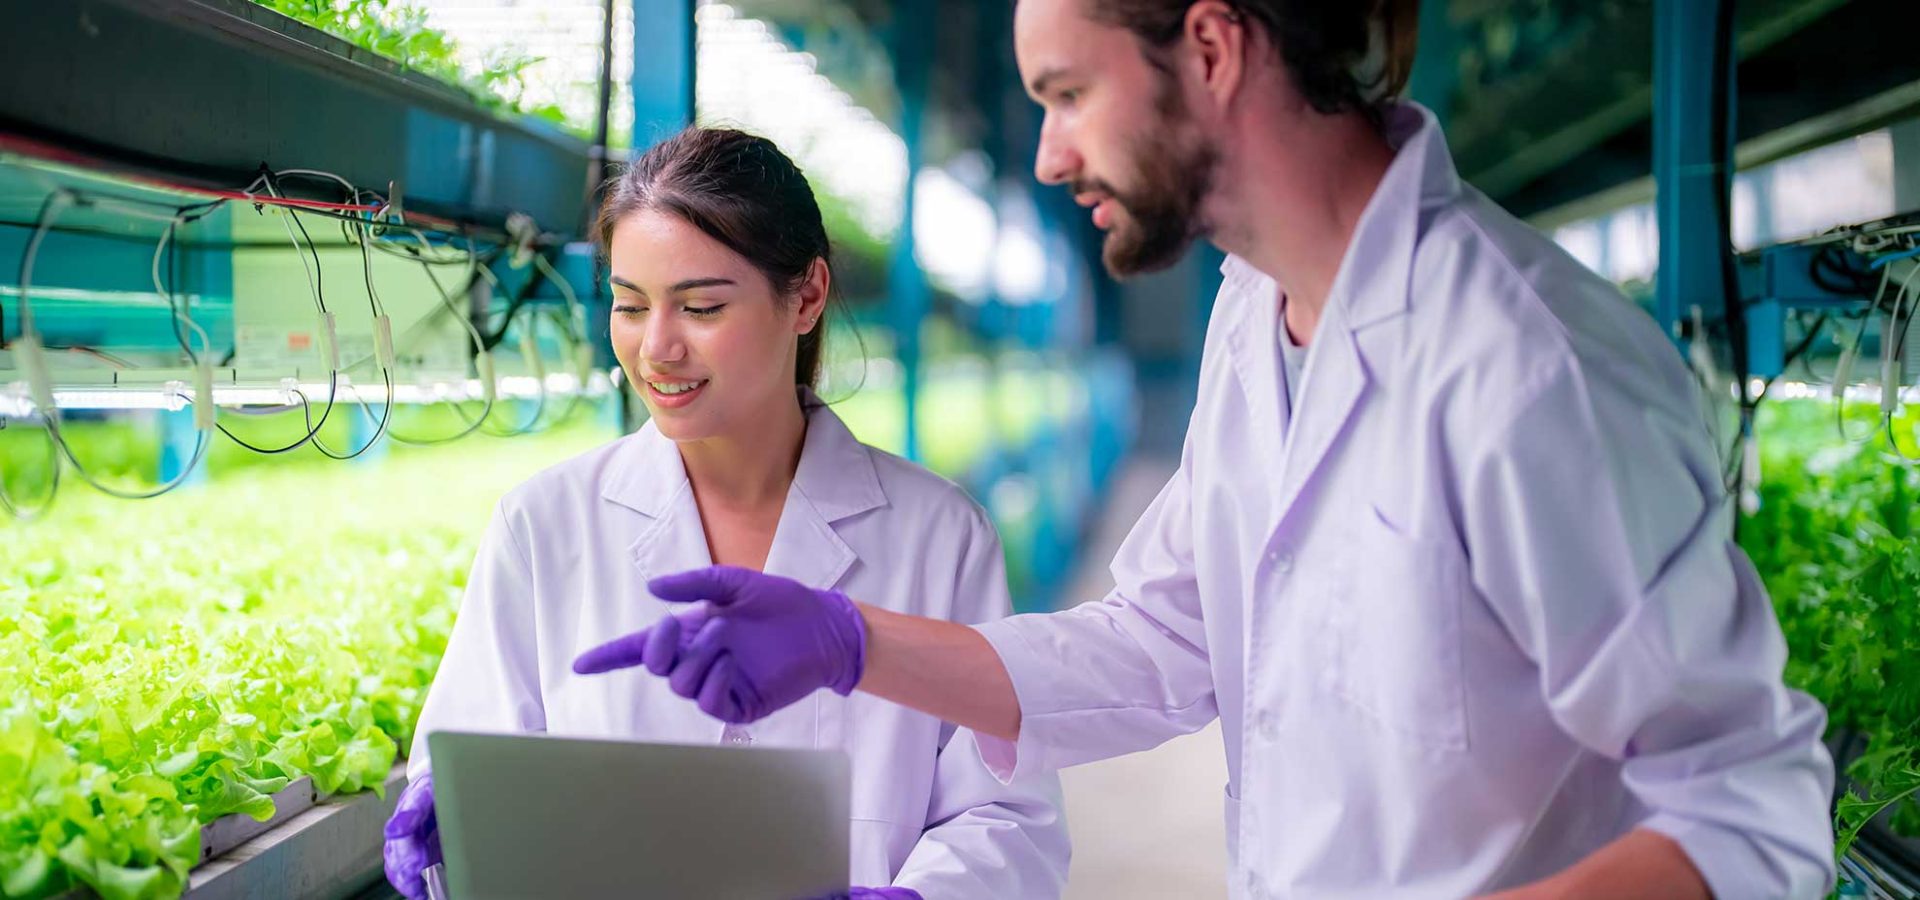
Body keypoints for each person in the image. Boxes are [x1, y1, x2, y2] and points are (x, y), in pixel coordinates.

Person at [586, 1, 1839, 898]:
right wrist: (854, 644)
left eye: (1068, 95)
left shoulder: (1525, 369)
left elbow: (1752, 810)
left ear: (1211, 46)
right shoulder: (1256, 309)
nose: (1048, 153)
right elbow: (1165, 639)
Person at [380, 127, 1071, 900]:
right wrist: (446, 813)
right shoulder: (544, 525)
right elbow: (474, 761)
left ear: (805, 296)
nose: (656, 350)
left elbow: (1008, 817)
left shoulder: (938, 536)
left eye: (701, 306)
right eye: (631, 306)